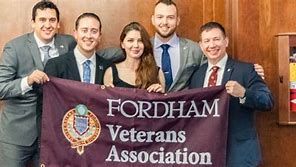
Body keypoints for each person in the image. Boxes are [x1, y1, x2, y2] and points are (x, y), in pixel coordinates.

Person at [0, 1, 76, 166]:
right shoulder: (15, 47)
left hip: (53, 134)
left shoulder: (68, 43)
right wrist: (27, 81)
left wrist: (130, 52)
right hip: (17, 135)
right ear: (33, 22)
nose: (47, 25)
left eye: (52, 20)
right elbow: (1, 88)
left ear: (58, 24)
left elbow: (93, 53)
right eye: (42, 20)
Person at [189, 21, 274, 167]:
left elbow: (268, 101)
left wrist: (243, 93)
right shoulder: (197, 75)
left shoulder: (246, 70)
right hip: (206, 153)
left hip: (239, 155)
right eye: (207, 41)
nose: (212, 45)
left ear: (226, 41)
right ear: (201, 46)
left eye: (216, 39)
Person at [44, 12, 111, 84]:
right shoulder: (56, 64)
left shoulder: (108, 67)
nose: (88, 36)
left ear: (99, 37)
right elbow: (44, 91)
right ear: (75, 34)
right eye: (84, 30)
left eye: (94, 31)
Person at [104, 22, 165, 93]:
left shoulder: (157, 72)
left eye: (140, 41)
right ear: (122, 44)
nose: (136, 45)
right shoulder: (110, 72)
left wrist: (161, 93)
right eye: (130, 40)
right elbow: (105, 102)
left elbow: (164, 102)